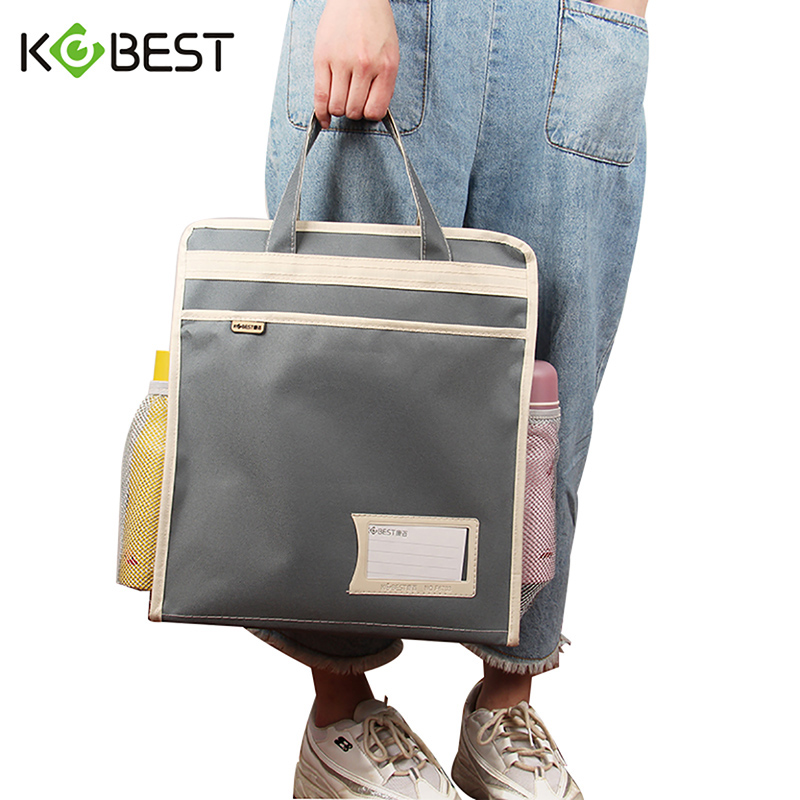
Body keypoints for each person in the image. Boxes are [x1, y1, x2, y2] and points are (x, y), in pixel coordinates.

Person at [252, 1, 649, 797]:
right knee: (348, 360)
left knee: (550, 380)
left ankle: (506, 708)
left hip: (577, 26)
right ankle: (341, 714)